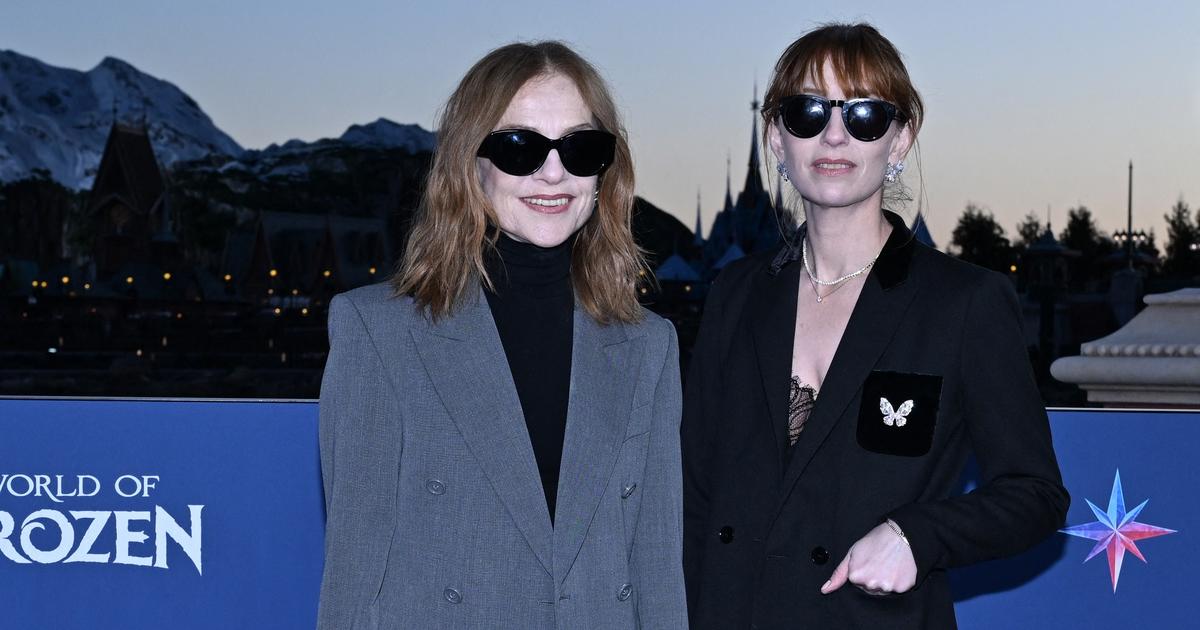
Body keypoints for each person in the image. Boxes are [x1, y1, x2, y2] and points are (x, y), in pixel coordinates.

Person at [681, 23, 1069, 629]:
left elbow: (1035, 493)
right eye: (807, 112)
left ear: (900, 139)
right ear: (777, 138)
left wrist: (918, 535)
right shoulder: (735, 294)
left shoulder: (964, 303)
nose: (834, 134)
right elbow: (694, 493)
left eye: (864, 114)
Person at [317, 41, 687, 629]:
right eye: (520, 147)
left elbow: (658, 571)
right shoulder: (378, 334)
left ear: (604, 170)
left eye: (580, 147)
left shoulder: (649, 347)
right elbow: (353, 575)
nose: (553, 173)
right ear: (471, 163)